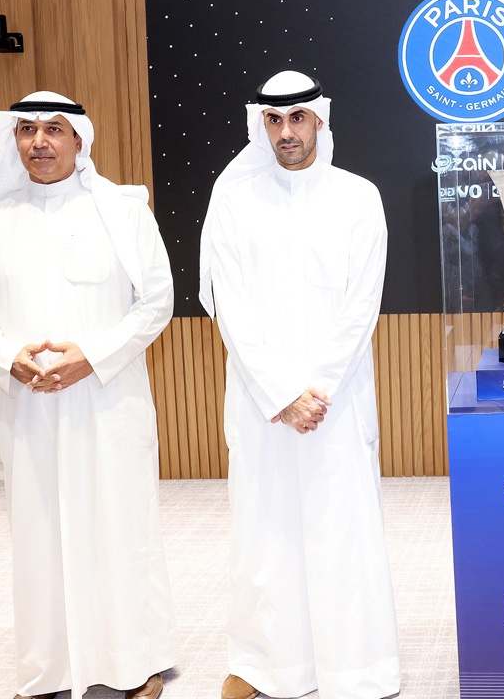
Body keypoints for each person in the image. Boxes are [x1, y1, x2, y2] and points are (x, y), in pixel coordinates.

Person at [0, 92, 177, 699]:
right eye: (27, 130)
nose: (39, 141)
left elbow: (156, 301)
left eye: (54, 129)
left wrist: (92, 358)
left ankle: (133, 663)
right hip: (28, 406)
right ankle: (46, 668)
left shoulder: (123, 212)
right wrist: (8, 358)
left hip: (107, 401)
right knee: (38, 531)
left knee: (117, 526)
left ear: (79, 139)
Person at [199, 71, 400, 699]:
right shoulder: (234, 202)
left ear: (319, 121)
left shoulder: (358, 197)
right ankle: (268, 666)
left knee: (342, 527)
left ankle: (354, 669)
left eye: (298, 118)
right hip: (262, 399)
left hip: (336, 400)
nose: (286, 132)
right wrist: (281, 394)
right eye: (274, 120)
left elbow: (362, 303)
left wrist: (317, 389)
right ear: (261, 125)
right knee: (266, 529)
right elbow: (229, 305)